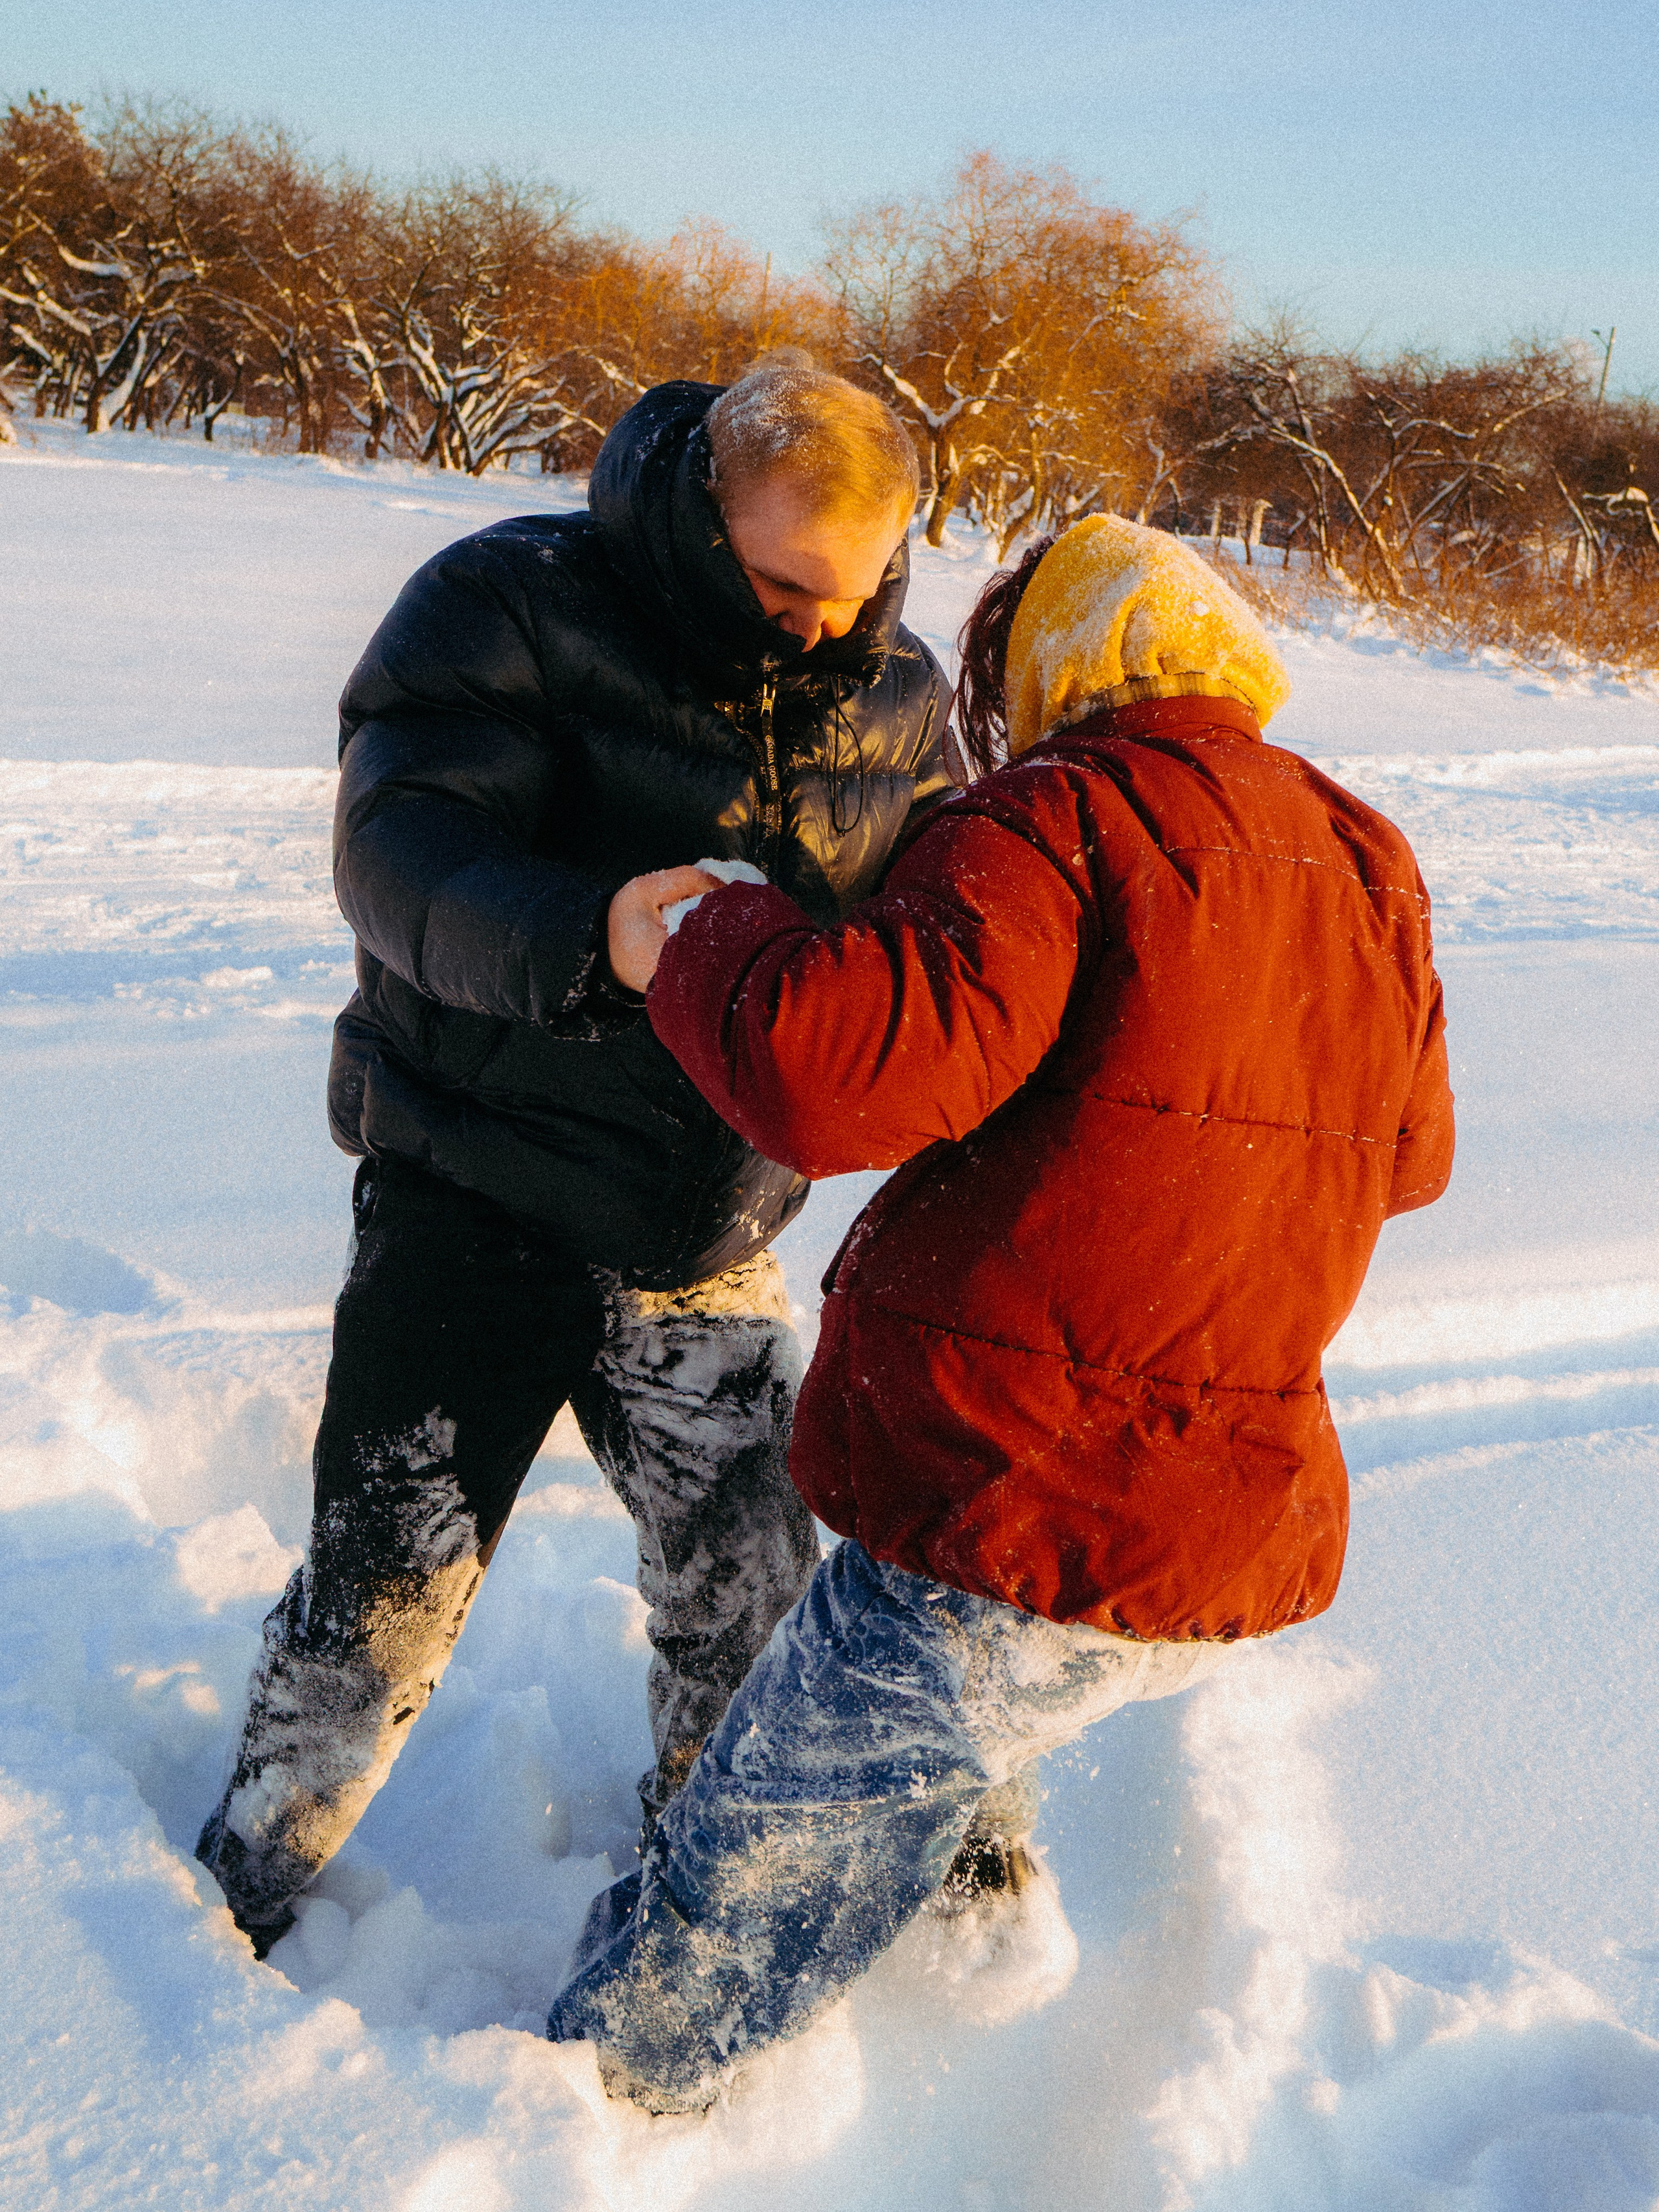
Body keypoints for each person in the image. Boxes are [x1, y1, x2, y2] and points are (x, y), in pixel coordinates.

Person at [547, 513, 1456, 2112]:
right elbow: (1409, 1159)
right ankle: (973, 1998)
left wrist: (707, 931)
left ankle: (576, 2130)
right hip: (1206, 1530)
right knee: (944, 1765)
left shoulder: (1060, 817)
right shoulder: (1360, 850)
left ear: (1055, 666)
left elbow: (836, 1076)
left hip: (1004, 1494)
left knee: (724, 1902)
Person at [196, 361, 953, 1957]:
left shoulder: (895, 691)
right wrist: (590, 935)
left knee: (751, 1589)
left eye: (856, 587)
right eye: (780, 588)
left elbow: (944, 920)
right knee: (381, 1595)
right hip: (476, 1185)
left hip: (704, 1224)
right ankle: (234, 1900)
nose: (821, 624)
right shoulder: (507, 603)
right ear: (701, 513)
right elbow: (396, 850)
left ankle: (704, 1901)